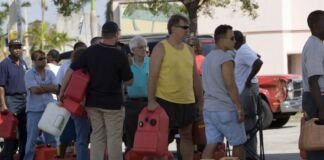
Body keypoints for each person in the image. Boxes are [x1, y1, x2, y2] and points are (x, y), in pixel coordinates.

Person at [58, 21, 133, 160]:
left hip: (92, 103)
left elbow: (70, 70)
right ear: (116, 34)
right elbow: (129, 81)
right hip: (113, 104)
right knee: (114, 138)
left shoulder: (90, 51)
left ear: (103, 34)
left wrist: (62, 92)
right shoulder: (120, 55)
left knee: (97, 136)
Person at [147, 14, 204, 160]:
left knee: (187, 136)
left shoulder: (189, 50)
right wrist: (151, 101)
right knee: (162, 139)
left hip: (187, 100)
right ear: (173, 28)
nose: (187, 30)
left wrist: (201, 100)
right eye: (184, 27)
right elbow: (152, 75)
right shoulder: (161, 47)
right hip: (165, 100)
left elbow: (195, 77)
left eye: (188, 27)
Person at [201, 25, 246, 160]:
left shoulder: (207, 59)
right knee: (238, 144)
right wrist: (239, 107)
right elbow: (230, 84)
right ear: (222, 40)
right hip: (225, 108)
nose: (235, 41)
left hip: (209, 109)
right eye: (232, 38)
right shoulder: (225, 58)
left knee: (211, 145)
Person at [57, 47, 91, 160]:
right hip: (87, 107)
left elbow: (62, 86)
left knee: (80, 138)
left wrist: (61, 96)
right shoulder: (89, 70)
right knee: (86, 138)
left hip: (72, 107)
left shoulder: (71, 70)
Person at [234, 30, 263, 160]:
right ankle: (250, 155)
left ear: (236, 40)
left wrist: (248, 79)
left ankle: (251, 156)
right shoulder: (242, 50)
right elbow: (258, 56)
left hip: (247, 90)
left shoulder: (242, 51)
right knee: (246, 123)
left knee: (248, 124)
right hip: (246, 90)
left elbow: (258, 62)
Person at [23, 50, 58, 160]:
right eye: (40, 59)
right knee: (31, 140)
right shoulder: (28, 73)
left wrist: (41, 87)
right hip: (34, 110)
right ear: (33, 61)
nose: (43, 61)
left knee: (52, 139)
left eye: (44, 58)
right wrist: (48, 87)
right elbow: (34, 90)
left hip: (49, 109)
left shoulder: (50, 73)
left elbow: (57, 89)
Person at [301, 10, 324, 160]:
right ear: (315, 25)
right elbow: (313, 80)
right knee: (317, 144)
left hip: (315, 98)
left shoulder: (317, 44)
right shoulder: (315, 45)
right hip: (316, 99)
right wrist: (321, 109)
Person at [0, 40, 28, 160]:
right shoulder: (4, 64)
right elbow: (1, 86)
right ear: (10, 49)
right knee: (11, 133)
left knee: (24, 132)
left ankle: (22, 157)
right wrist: (3, 105)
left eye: (19, 47)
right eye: (14, 47)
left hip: (25, 99)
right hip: (11, 99)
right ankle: (6, 157)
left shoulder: (23, 62)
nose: (17, 50)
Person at [124, 35, 149, 151]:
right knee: (131, 135)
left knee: (149, 135)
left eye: (145, 47)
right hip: (131, 104)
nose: (144, 49)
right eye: (140, 47)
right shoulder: (127, 64)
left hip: (148, 103)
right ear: (133, 50)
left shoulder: (151, 62)